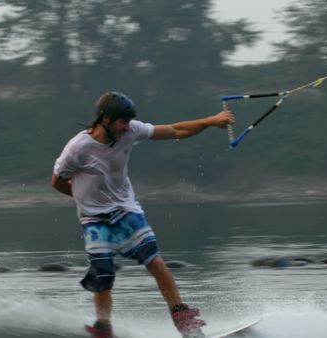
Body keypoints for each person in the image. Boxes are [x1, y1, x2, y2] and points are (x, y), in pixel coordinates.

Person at [51, 91, 235, 338]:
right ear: (105, 119)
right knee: (103, 273)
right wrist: (85, 199)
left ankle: (184, 322)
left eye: (129, 122)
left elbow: (175, 130)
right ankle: (103, 329)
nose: (127, 127)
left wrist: (211, 121)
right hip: (94, 218)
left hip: (126, 209)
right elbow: (57, 182)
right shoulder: (77, 148)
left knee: (154, 260)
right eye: (122, 121)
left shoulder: (131, 132)